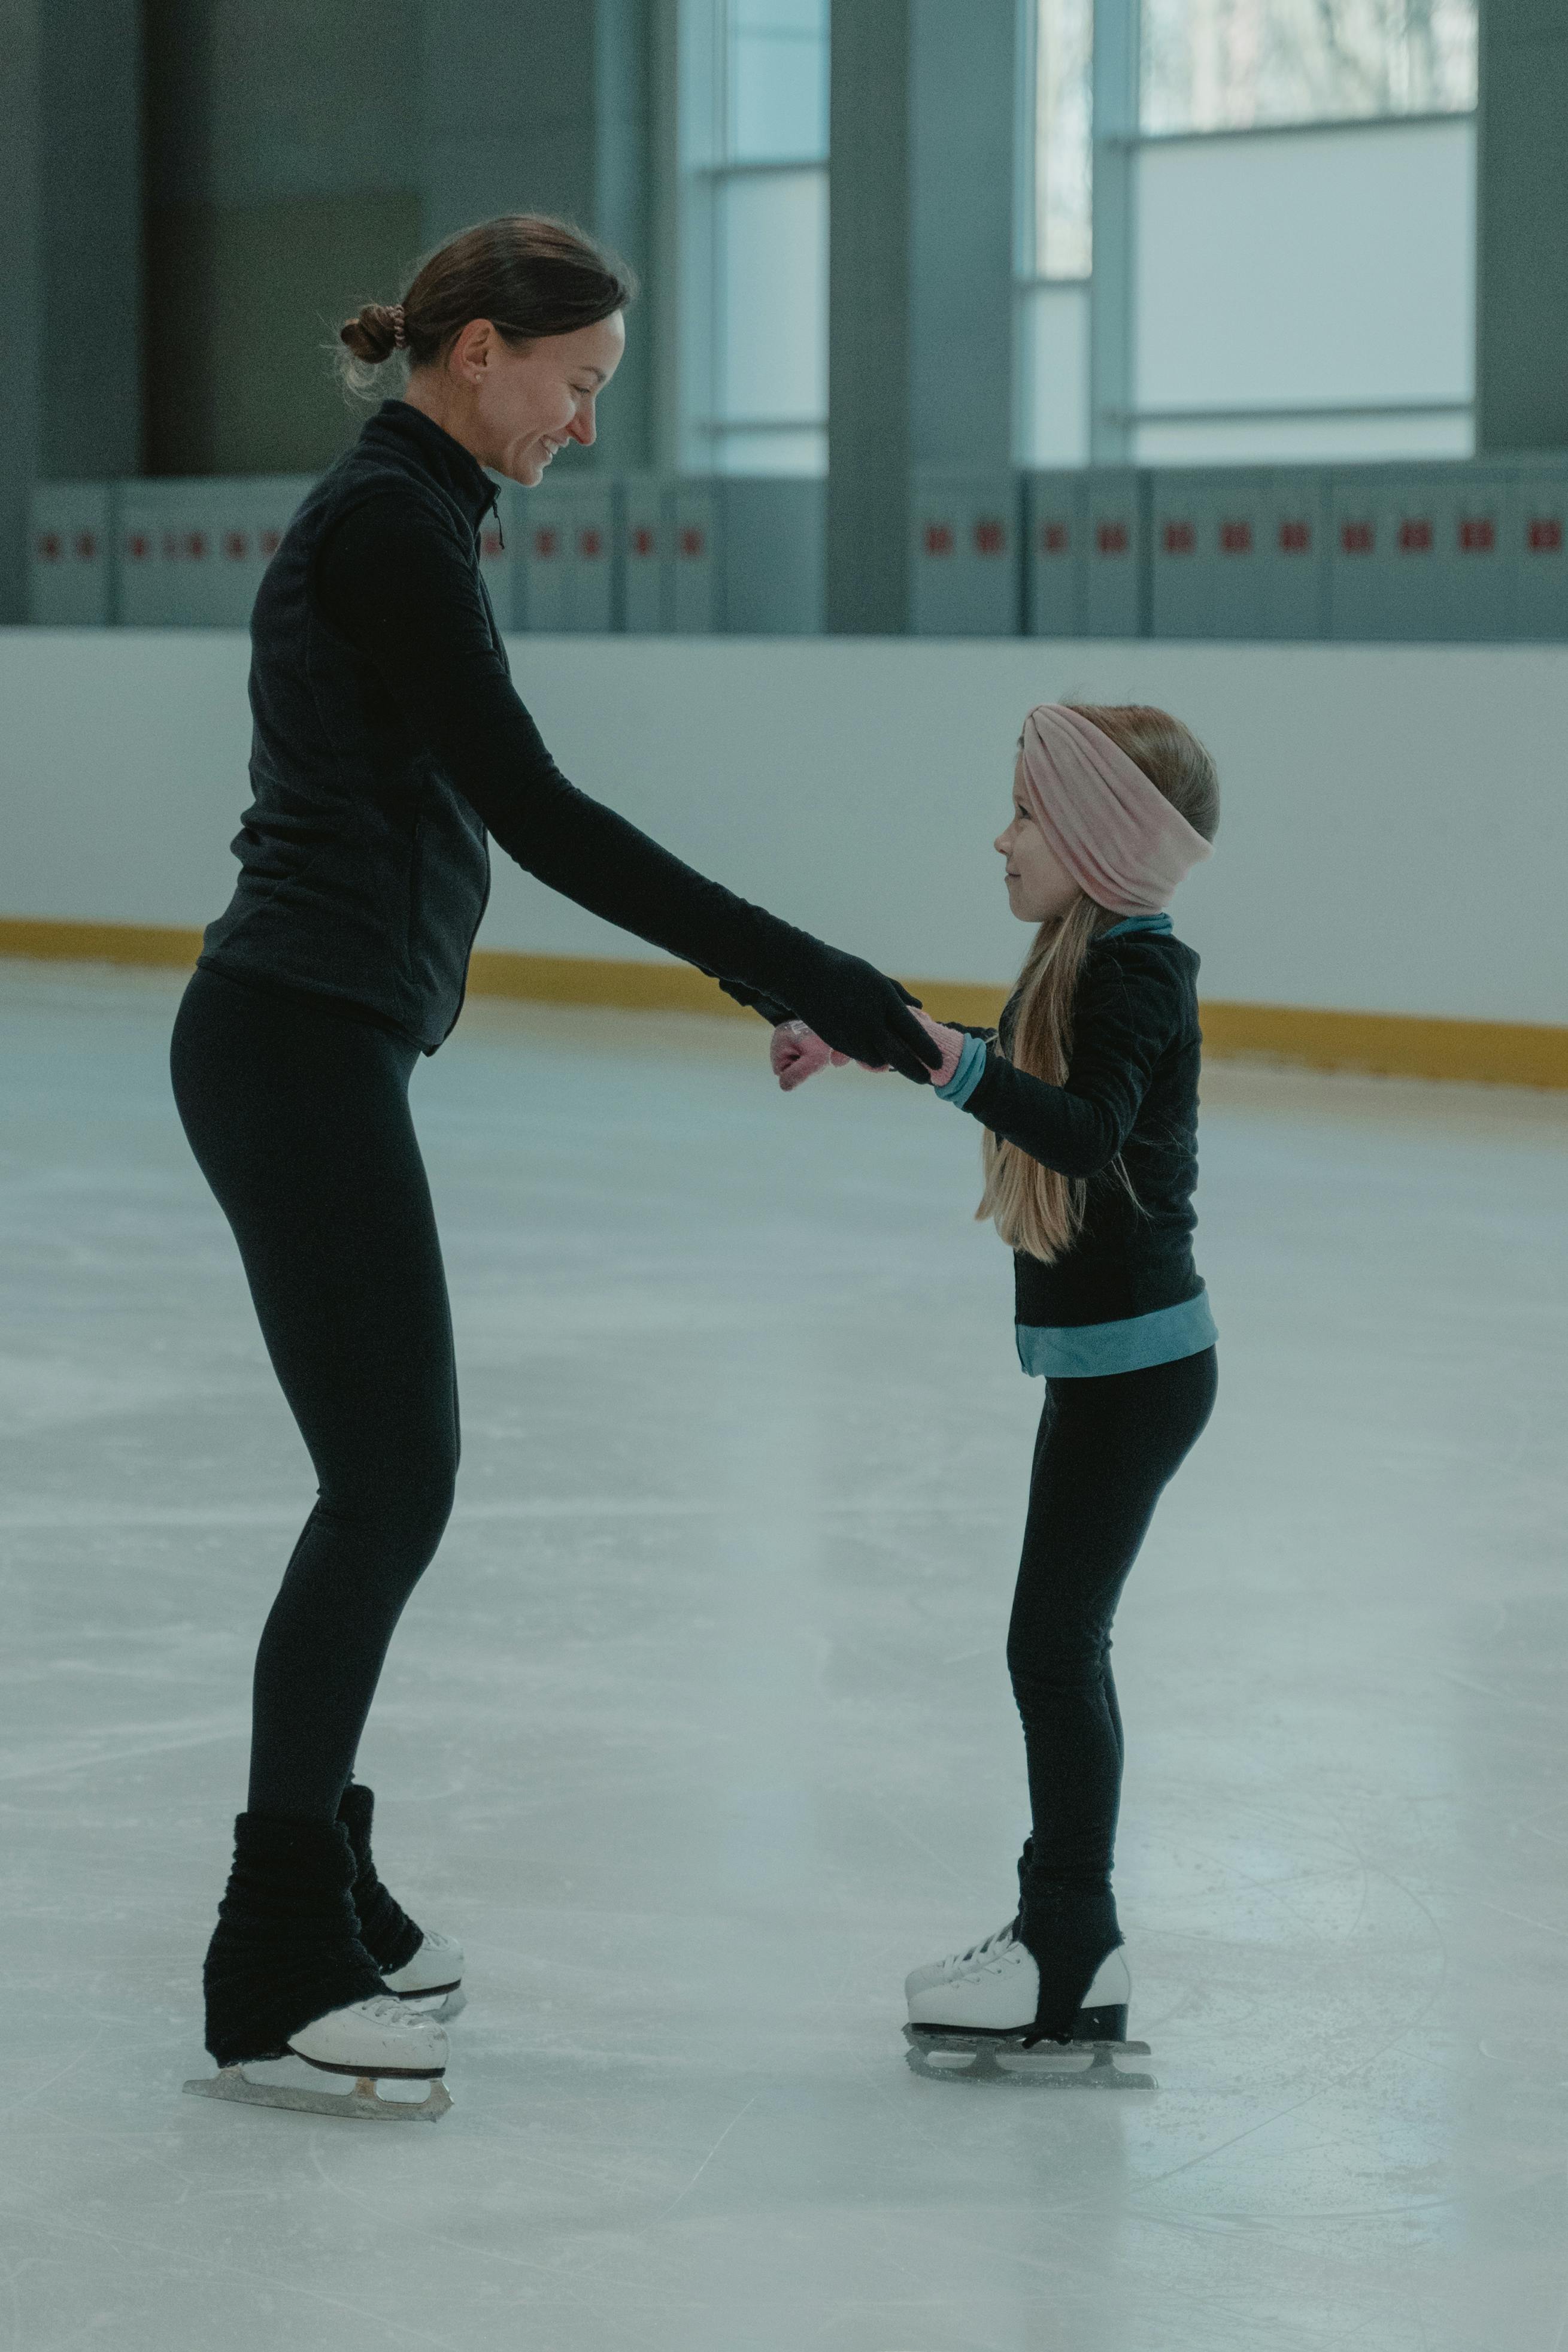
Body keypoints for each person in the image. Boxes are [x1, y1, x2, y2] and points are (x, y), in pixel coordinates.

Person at [172, 212, 941, 2123]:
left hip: (315, 1038)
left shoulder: (416, 514)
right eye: (576, 385)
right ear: (479, 353)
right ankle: (273, 1956)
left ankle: (328, 1869)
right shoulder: (388, 524)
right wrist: (808, 972)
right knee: (390, 1478)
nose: (584, 425)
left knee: (387, 1475)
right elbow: (537, 811)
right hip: (293, 1041)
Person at [771, 702, 1220, 2078]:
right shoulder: (1087, 964)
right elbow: (1031, 1075)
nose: (1000, 836)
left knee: (1051, 1645)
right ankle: (1065, 1937)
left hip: (1138, 1367)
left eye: (1026, 812)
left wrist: (940, 1056)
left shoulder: (1137, 972)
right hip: (1112, 1365)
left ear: (1096, 837)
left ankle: (1069, 1947)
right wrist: (881, 1042)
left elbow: (1078, 1130)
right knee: (1052, 1643)